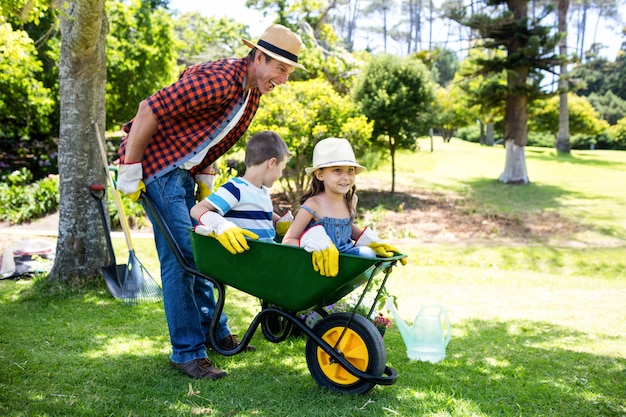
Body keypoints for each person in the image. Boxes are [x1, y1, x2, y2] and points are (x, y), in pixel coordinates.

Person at [114, 24, 306, 380]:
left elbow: (211, 139)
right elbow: (147, 110)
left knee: (202, 253)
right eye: (280, 69)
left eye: (289, 72)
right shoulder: (220, 79)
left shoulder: (251, 98)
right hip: (157, 168)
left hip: (182, 172)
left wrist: (204, 181)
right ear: (259, 57)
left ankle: (216, 335)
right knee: (185, 257)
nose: (284, 79)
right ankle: (187, 352)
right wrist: (130, 172)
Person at [282, 138, 407, 277]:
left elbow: (345, 227)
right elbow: (288, 240)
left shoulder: (351, 200)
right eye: (337, 170)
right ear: (320, 174)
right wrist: (314, 247)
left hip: (346, 259)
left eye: (350, 170)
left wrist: (373, 242)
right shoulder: (313, 204)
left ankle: (339, 290)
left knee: (367, 254)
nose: (346, 177)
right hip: (319, 264)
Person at [190, 131, 293, 249]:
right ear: (272, 163)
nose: (281, 175)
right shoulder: (235, 188)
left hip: (265, 257)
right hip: (244, 260)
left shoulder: (262, 191)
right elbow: (196, 210)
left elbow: (256, 211)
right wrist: (221, 225)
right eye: (282, 168)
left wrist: (277, 222)